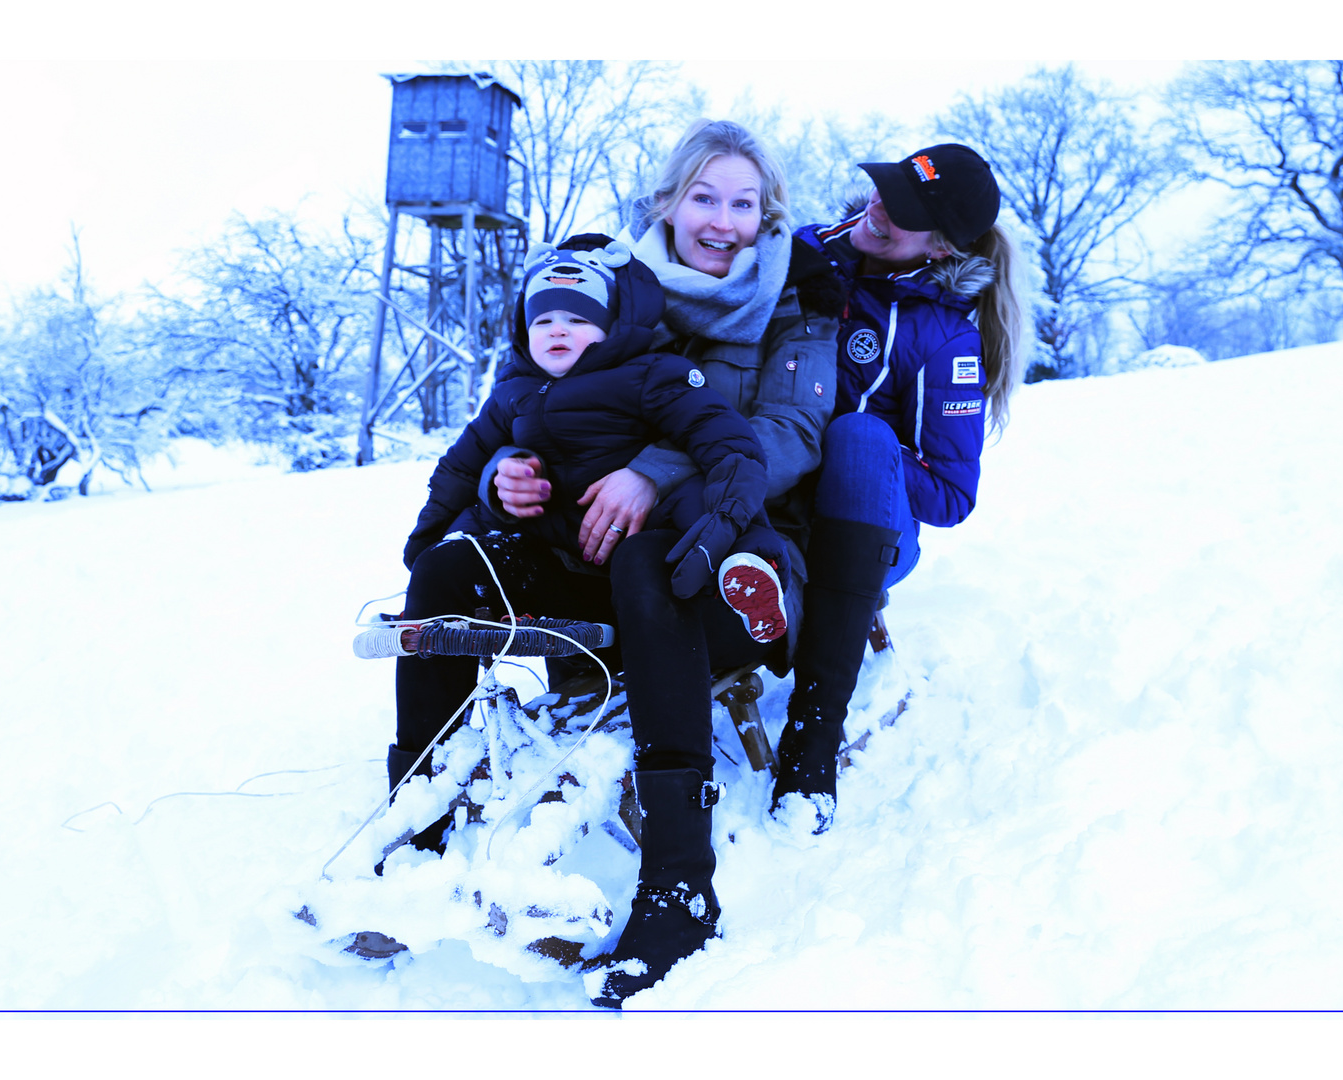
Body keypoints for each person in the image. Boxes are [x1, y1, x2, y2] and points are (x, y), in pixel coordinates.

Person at [485, 120, 844, 1008]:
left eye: (744, 203)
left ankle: (680, 886)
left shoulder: (798, 294)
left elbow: (793, 436)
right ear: (667, 203)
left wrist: (653, 473)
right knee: (474, 558)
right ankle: (408, 843)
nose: (723, 221)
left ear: (769, 214)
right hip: (592, 528)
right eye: (703, 198)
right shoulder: (611, 283)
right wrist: (506, 474)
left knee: (656, 563)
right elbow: (526, 399)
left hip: (740, 527)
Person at [380, 235, 791, 816]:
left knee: (695, 498)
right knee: (445, 567)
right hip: (571, 580)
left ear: (612, 324)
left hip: (661, 581)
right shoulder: (513, 395)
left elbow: (734, 447)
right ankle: (418, 795)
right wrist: (425, 546)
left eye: (578, 317)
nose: (558, 329)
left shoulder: (653, 374)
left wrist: (723, 526)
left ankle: (750, 567)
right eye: (542, 317)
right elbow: (460, 466)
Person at [773, 143, 1028, 834]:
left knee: (858, 437)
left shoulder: (945, 337)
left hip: (867, 526)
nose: (879, 209)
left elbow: (951, 494)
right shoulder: (803, 249)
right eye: (885, 189)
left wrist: (846, 437)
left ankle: (813, 737)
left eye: (905, 212)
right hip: (766, 486)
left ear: (942, 248)